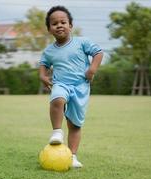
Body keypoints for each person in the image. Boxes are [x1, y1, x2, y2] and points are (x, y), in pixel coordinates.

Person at [39, 5, 103, 168]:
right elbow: (43, 64)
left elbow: (98, 53)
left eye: (63, 22)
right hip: (61, 84)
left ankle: (72, 156)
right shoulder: (49, 51)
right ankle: (57, 132)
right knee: (57, 99)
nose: (59, 25)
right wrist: (43, 75)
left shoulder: (82, 42)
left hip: (81, 87)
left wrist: (92, 69)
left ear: (70, 25)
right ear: (49, 29)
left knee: (75, 125)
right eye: (54, 23)